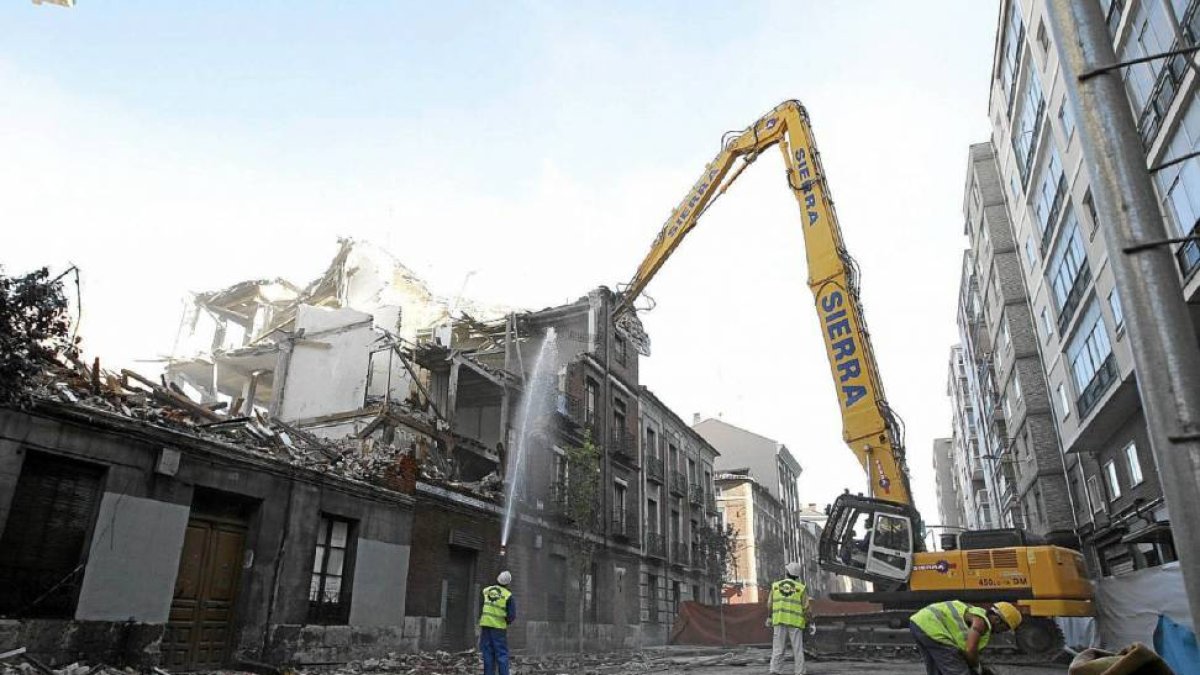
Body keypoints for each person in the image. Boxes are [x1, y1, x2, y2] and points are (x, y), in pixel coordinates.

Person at [909, 600, 1022, 675]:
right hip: (933, 628)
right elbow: (970, 650)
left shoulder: (976, 613)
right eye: (1004, 629)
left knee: (937, 671)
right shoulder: (980, 623)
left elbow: (965, 651)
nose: (1001, 633)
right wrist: (977, 668)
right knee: (959, 672)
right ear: (998, 620)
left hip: (918, 623)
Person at [766, 562, 810, 675]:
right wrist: (810, 622)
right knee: (798, 650)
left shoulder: (775, 586)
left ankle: (775, 671)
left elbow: (769, 604)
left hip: (779, 621)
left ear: (787, 573)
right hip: (795, 623)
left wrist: (769, 617)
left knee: (778, 649)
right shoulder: (801, 588)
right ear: (797, 576)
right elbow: (806, 608)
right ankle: (800, 672)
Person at [479, 570, 516, 675]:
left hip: (485, 626)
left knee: (487, 654)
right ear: (508, 583)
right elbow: (512, 615)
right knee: (501, 655)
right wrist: (506, 621)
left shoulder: (486, 591)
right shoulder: (508, 595)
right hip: (499, 628)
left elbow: (481, 606)